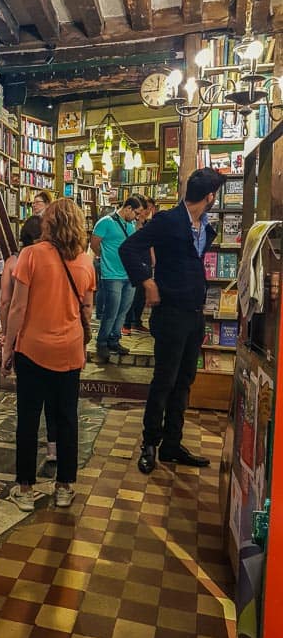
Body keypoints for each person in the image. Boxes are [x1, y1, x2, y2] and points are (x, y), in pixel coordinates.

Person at [119, 168, 225, 474]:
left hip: (194, 314)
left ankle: (172, 444)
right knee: (164, 380)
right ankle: (150, 443)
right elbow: (130, 248)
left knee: (184, 380)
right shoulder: (167, 221)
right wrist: (146, 281)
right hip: (170, 314)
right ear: (209, 196)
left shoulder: (205, 227)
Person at [1, 198, 95, 511]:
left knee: (28, 419)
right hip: (69, 349)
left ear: (48, 224)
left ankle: (25, 488)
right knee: (67, 418)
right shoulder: (85, 261)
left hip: (33, 348)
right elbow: (87, 309)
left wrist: (7, 345)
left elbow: (18, 306)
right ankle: (65, 486)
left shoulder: (30, 255)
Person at [0, 216, 57, 462]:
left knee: (28, 405)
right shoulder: (53, 258)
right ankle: (53, 447)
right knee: (54, 399)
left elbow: (6, 302)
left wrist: (7, 336)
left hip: (24, 337)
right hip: (51, 334)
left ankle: (26, 464)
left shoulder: (13, 262)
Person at [90, 197, 142, 362]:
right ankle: (102, 342)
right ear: (128, 208)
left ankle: (114, 339)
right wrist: (105, 258)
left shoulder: (131, 225)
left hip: (129, 275)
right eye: (136, 213)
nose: (137, 217)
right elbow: (94, 244)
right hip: (112, 275)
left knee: (122, 311)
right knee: (111, 311)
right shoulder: (105, 222)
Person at [122, 195, 154, 335]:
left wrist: (152, 257)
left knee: (140, 294)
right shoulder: (132, 222)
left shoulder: (148, 223)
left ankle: (137, 321)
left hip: (145, 258)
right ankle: (127, 323)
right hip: (135, 258)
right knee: (132, 293)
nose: (148, 211)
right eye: (147, 208)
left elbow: (150, 242)